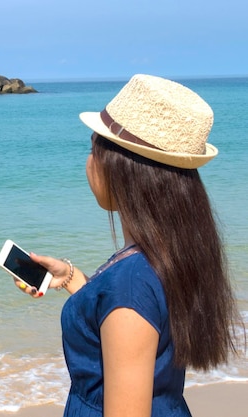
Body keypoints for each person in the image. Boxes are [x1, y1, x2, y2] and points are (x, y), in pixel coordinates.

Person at [14, 74, 242, 416]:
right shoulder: (168, 252)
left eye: (93, 148)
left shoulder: (131, 283)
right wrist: (73, 279)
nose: (89, 162)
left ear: (122, 168)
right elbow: (133, 316)